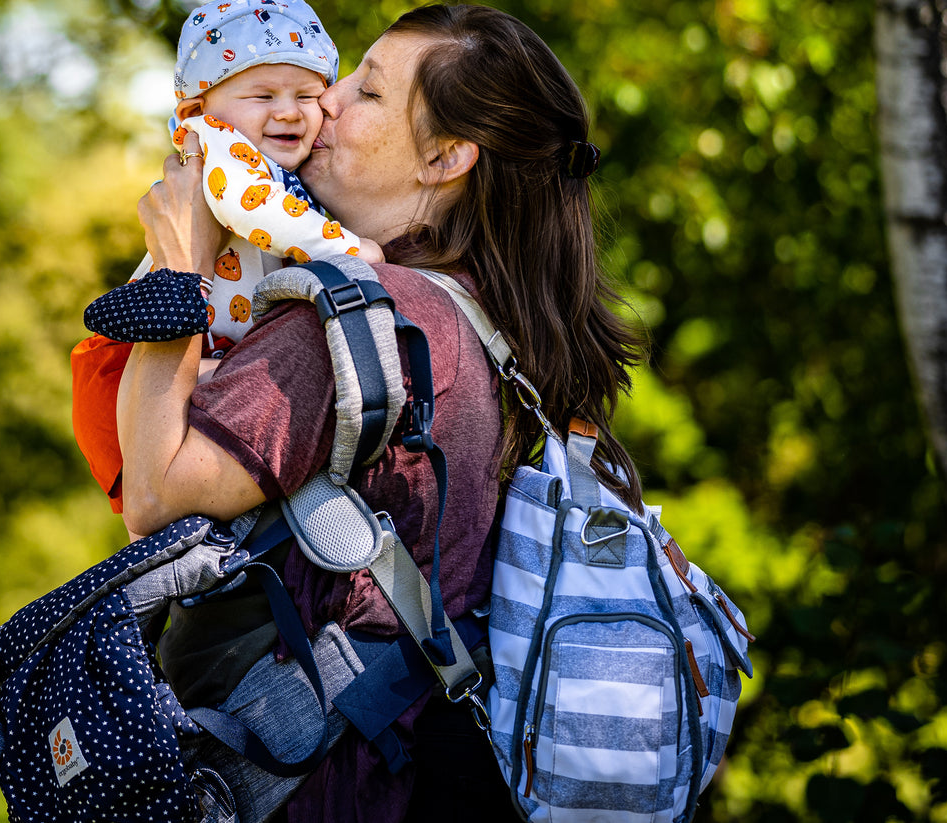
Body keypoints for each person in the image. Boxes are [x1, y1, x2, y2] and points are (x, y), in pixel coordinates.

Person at [125, 4, 647, 820]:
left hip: (339, 786)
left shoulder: (354, 322)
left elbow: (155, 494)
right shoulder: (502, 328)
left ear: (445, 157)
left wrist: (173, 276)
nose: (325, 100)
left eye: (367, 91)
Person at [70, 0, 381, 514]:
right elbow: (254, 210)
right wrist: (349, 249)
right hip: (151, 358)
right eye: (262, 95)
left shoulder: (277, 165)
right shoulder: (221, 147)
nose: (287, 111)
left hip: (208, 353)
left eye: (307, 95)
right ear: (198, 111)